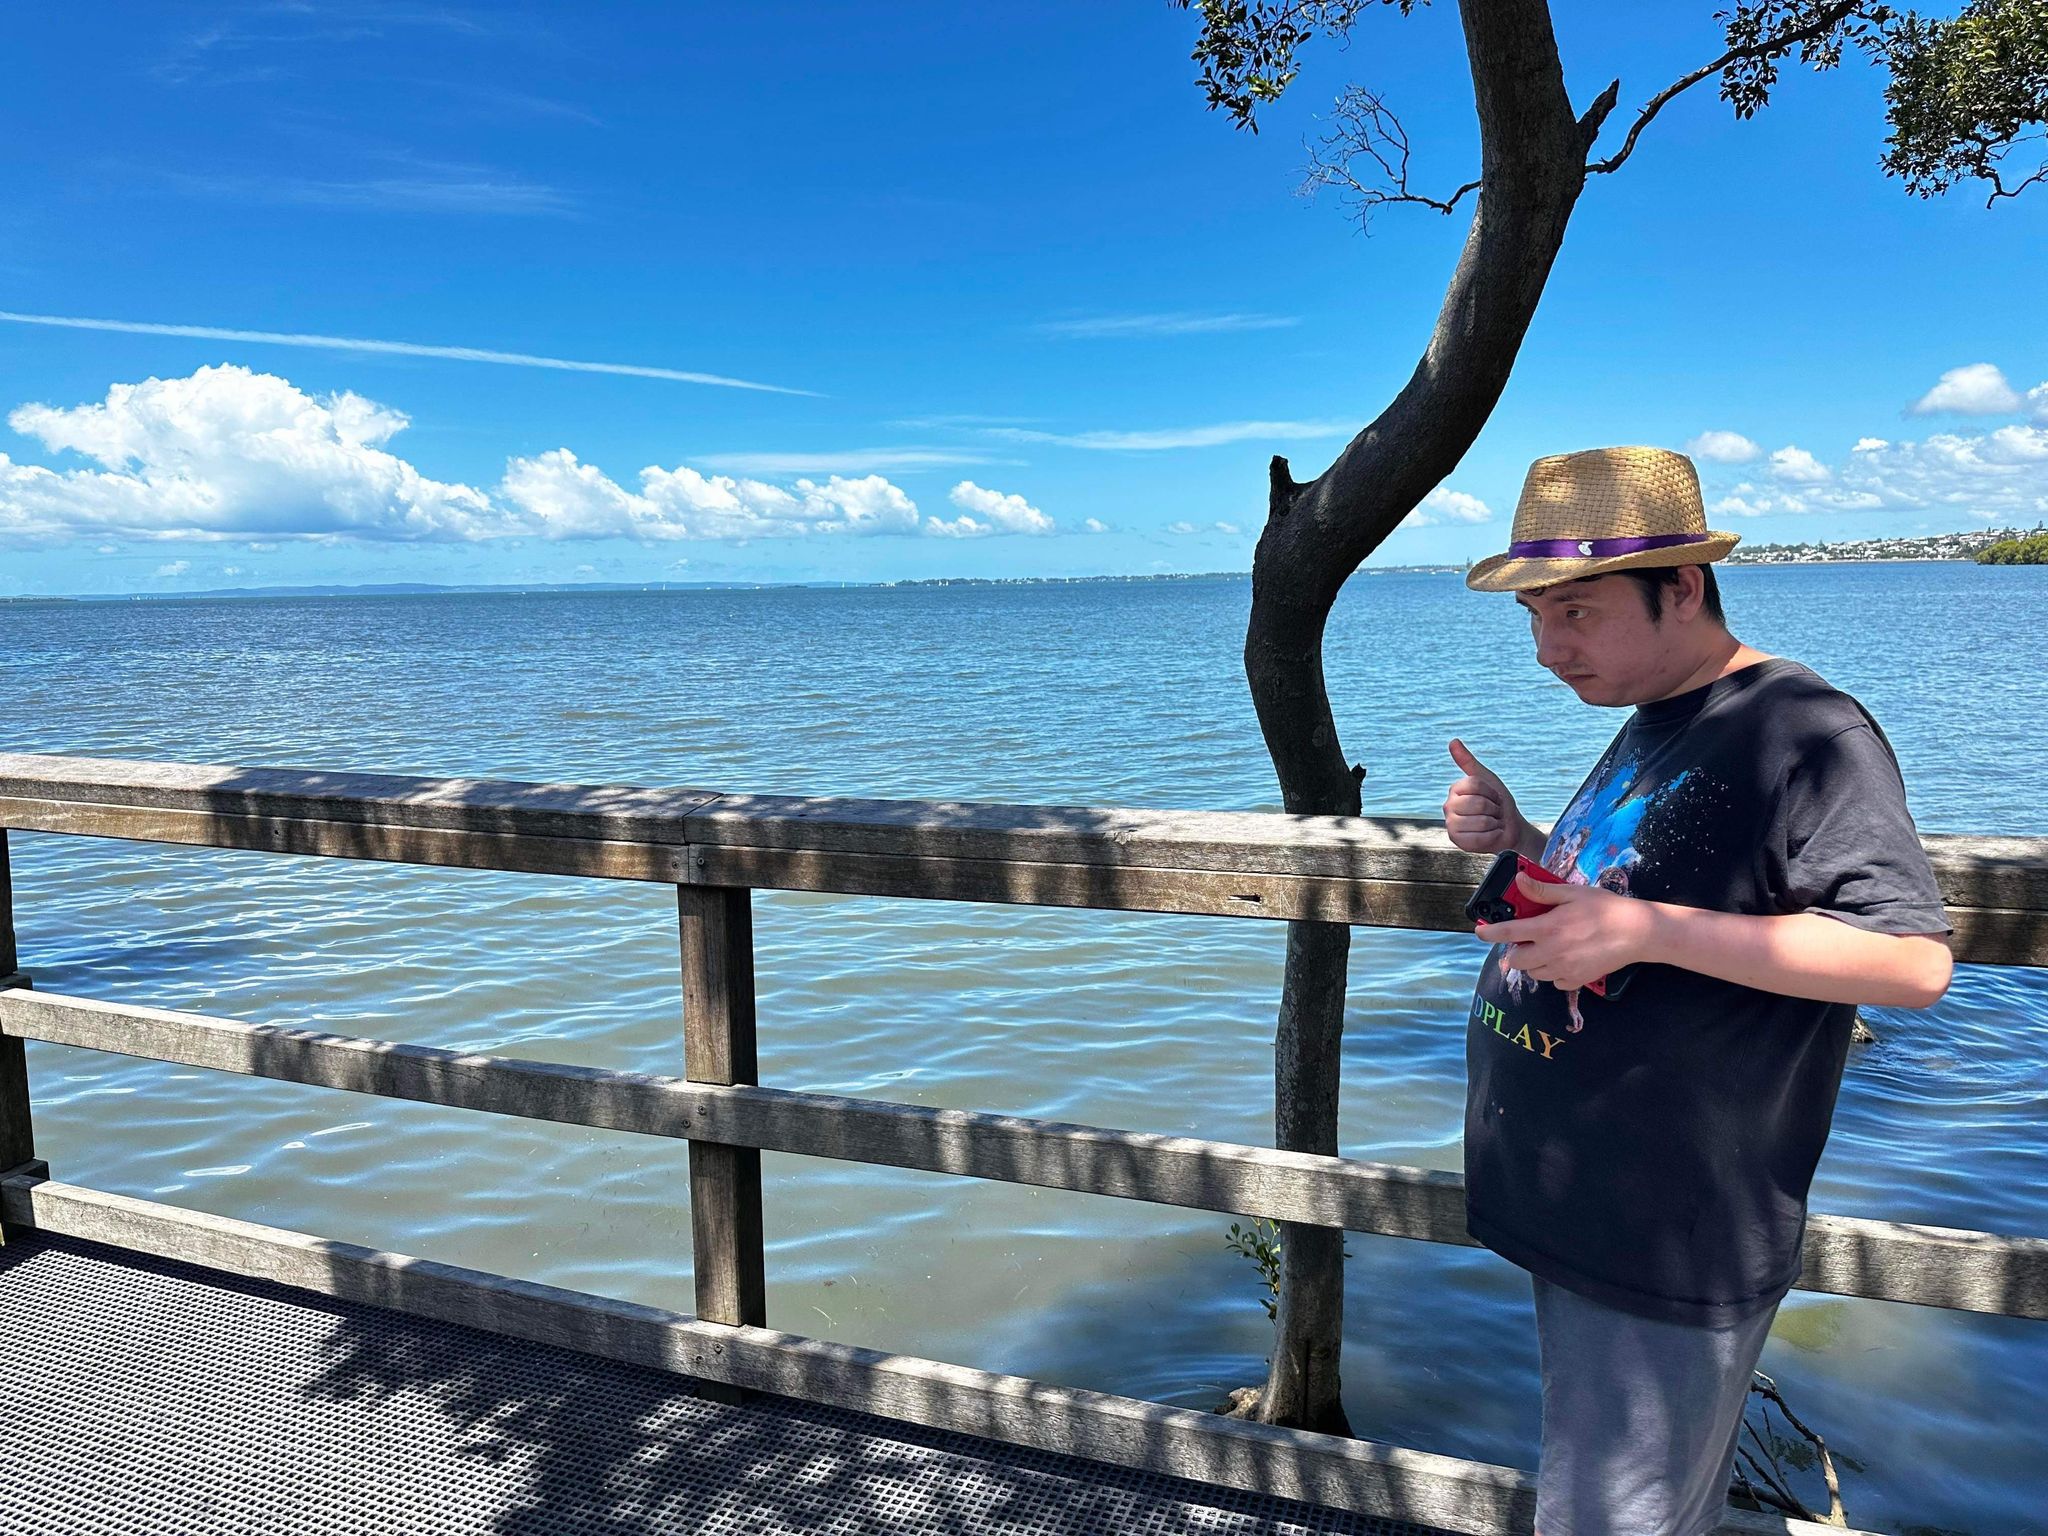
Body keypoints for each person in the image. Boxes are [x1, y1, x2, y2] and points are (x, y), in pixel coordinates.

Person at [1441, 445, 1954, 1536]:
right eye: (1532, 617)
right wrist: (1523, 837)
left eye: (1574, 612)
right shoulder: (1654, 715)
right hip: (1580, 1195)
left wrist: (1644, 929)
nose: (1545, 649)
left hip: (1666, 1226)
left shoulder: (1801, 730)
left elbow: (1909, 960)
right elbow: (1635, 891)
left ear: (1679, 587)